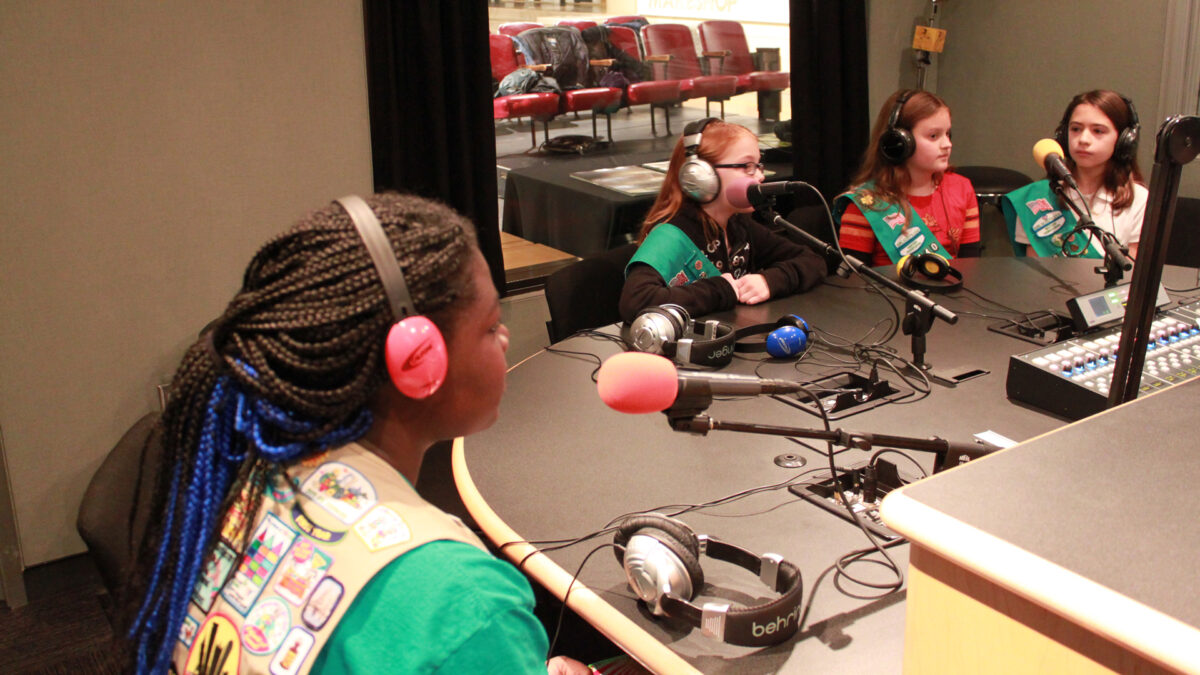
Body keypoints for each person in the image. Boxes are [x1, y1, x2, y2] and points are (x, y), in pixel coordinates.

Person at [121, 193, 589, 674]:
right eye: (491, 326)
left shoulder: (244, 481)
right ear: (417, 362)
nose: (505, 338)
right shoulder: (466, 607)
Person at [618, 117, 826, 322]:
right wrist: (720, 291)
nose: (760, 176)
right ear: (700, 175)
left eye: (758, 165)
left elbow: (813, 261)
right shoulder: (671, 235)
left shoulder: (738, 226)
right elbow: (636, 302)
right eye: (747, 166)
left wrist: (769, 281)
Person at [834, 89, 981, 267]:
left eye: (948, 134)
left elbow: (971, 266)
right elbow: (853, 278)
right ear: (899, 142)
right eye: (933, 136)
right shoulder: (867, 203)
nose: (947, 144)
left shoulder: (962, 189)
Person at [1002, 89, 1147, 259]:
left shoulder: (1139, 199)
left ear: (1124, 140)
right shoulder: (1037, 200)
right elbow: (1035, 269)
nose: (1083, 139)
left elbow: (1133, 269)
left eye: (1098, 131)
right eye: (1076, 129)